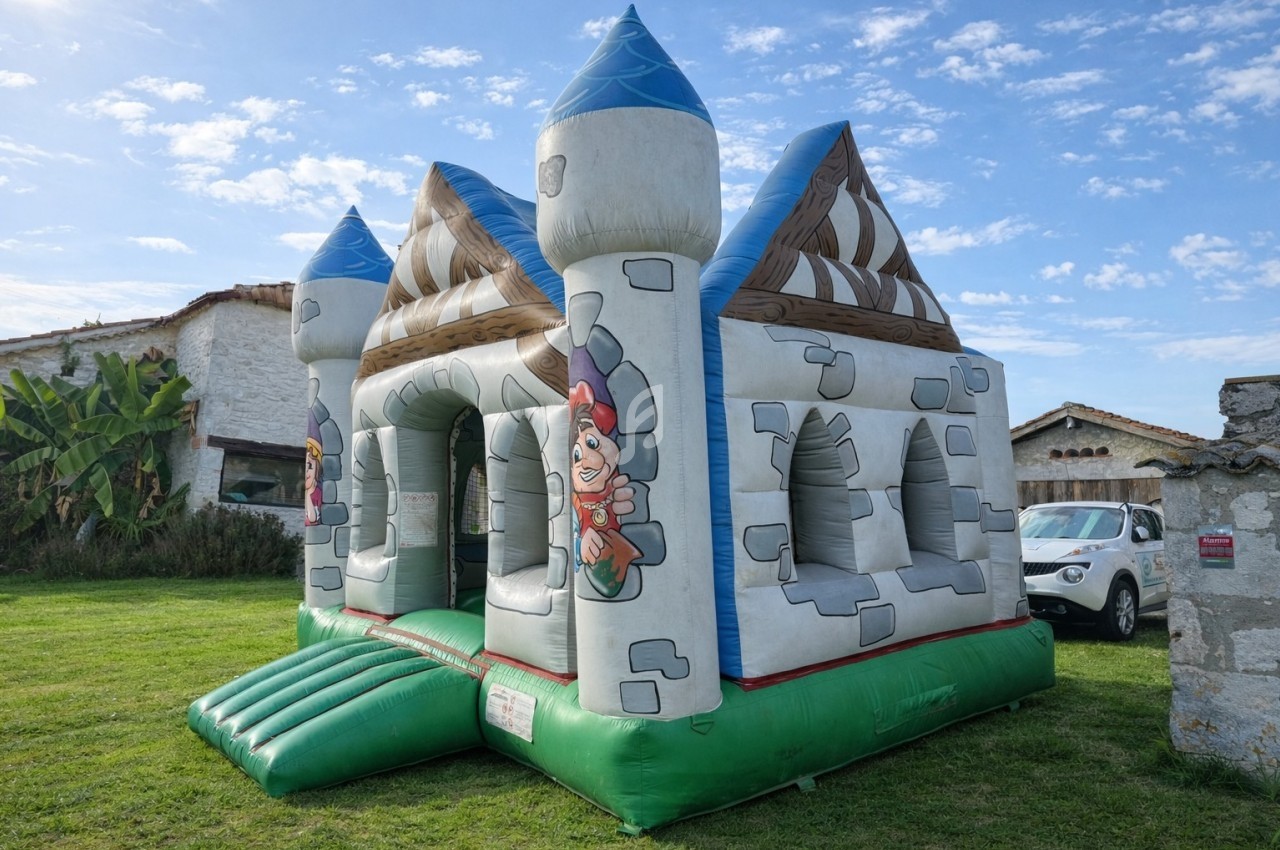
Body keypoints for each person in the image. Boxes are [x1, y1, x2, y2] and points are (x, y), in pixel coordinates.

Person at [569, 380, 639, 597]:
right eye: (576, 456)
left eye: (592, 443)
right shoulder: (576, 502)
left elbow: (624, 501)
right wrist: (581, 546)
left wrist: (620, 499)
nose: (583, 462)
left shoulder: (611, 484)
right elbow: (571, 526)